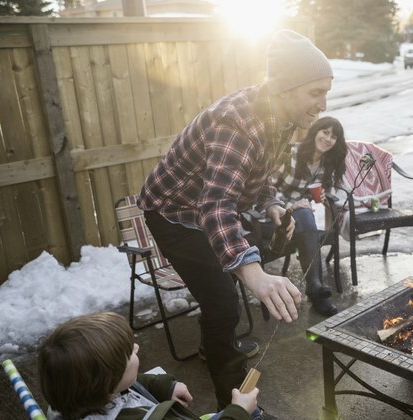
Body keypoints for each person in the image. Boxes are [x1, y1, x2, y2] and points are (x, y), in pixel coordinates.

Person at [136, 29, 333, 411]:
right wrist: (254, 274)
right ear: (285, 87)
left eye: (327, 90)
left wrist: (273, 203)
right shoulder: (236, 123)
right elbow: (216, 205)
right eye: (315, 92)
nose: (323, 103)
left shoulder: (282, 116)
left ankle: (215, 340)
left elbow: (257, 175)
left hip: (204, 208)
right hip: (173, 213)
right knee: (224, 299)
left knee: (224, 291)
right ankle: (238, 406)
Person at [38, 312, 258, 420]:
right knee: (251, 410)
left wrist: (165, 387)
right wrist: (239, 411)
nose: (136, 348)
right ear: (109, 380)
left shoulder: (78, 395)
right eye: (128, 354)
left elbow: (130, 382)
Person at [268, 116, 347, 316]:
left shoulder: (325, 164)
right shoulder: (292, 153)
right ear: (315, 132)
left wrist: (322, 196)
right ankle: (315, 288)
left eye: (334, 136)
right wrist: (289, 205)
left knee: (305, 215)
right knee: (304, 214)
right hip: (271, 212)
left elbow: (321, 192)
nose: (328, 139)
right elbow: (265, 187)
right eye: (325, 132)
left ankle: (315, 287)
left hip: (299, 218)